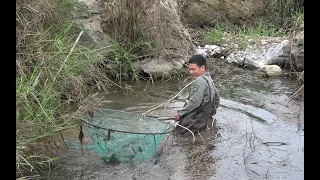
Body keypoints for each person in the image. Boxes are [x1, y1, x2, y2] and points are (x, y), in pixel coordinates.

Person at [174, 54, 220, 136]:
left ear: (202, 68)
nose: (191, 72)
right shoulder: (209, 79)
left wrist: (180, 114)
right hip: (203, 121)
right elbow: (217, 99)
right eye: (189, 69)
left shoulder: (199, 81)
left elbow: (194, 102)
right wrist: (209, 116)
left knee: (177, 136)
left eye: (193, 69)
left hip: (194, 120)